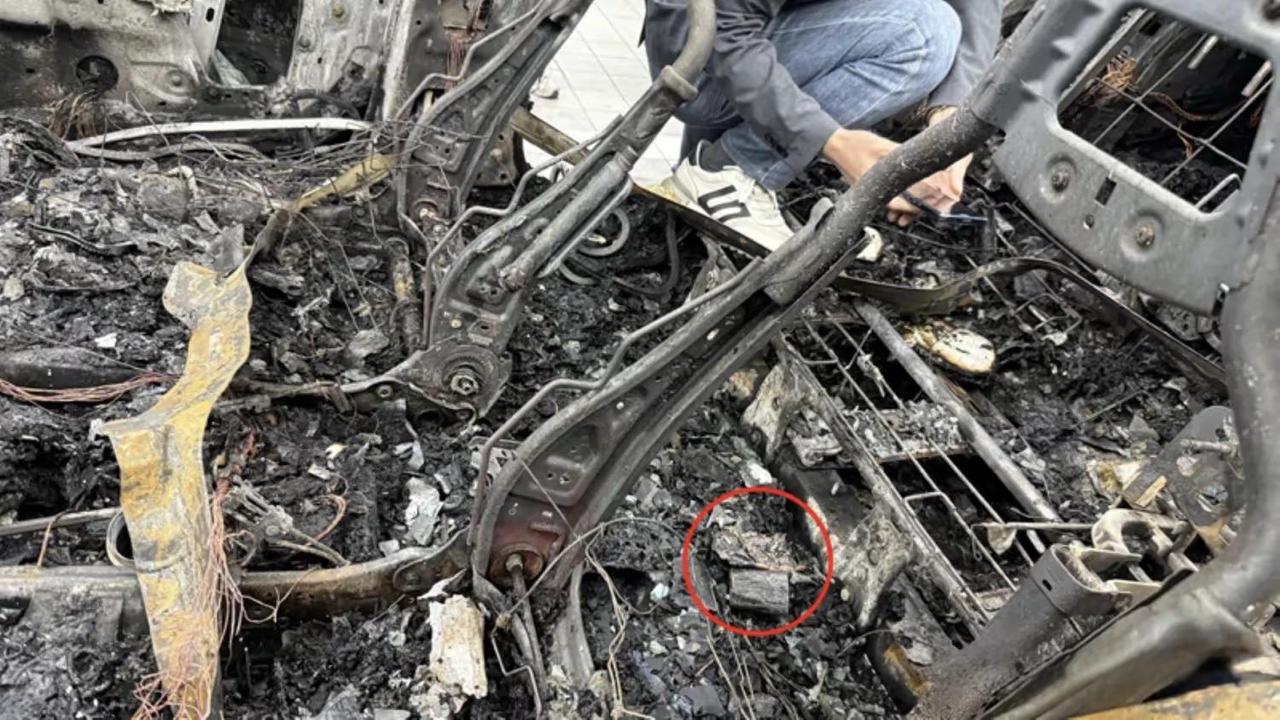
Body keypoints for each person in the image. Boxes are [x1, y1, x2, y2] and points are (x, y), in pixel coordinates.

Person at [644, 0, 1000, 249]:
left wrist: (950, 117)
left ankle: (698, 195)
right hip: (699, 54)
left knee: (684, 231)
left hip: (763, 19)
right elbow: (726, 26)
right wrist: (832, 141)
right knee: (923, 32)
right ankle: (732, 170)